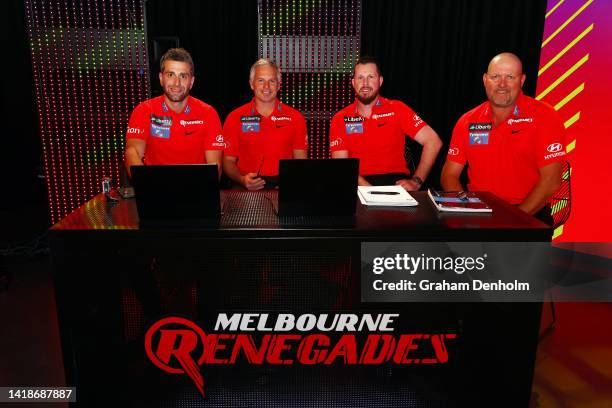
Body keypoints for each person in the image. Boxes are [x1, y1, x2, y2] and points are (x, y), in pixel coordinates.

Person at [441, 52, 566, 224]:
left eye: (510, 77)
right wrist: (466, 209)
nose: (502, 84)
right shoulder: (467, 121)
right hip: (479, 214)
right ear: (485, 80)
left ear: (521, 81)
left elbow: (551, 181)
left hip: (528, 214)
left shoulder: (544, 116)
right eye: (495, 77)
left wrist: (511, 222)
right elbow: (449, 175)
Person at [329, 56, 442, 190]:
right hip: (358, 186)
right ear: (353, 83)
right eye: (360, 77)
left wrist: (416, 181)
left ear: (380, 81)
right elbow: (342, 166)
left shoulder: (397, 109)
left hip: (395, 186)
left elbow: (433, 141)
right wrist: (372, 191)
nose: (365, 83)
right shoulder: (340, 118)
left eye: (371, 76)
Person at [124, 48, 224, 177]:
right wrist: (146, 185)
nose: (177, 83)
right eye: (170, 75)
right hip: (155, 189)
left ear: (191, 82)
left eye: (183, 76)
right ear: (161, 78)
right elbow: (132, 152)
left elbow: (215, 167)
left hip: (195, 191)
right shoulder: (143, 110)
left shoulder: (208, 113)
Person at [222, 59, 308, 190]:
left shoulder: (296, 118)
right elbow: (227, 161)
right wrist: (242, 180)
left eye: (272, 81)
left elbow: (301, 161)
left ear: (279, 85)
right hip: (244, 186)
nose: (266, 86)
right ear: (252, 84)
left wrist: (290, 183)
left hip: (283, 187)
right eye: (261, 80)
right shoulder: (234, 118)